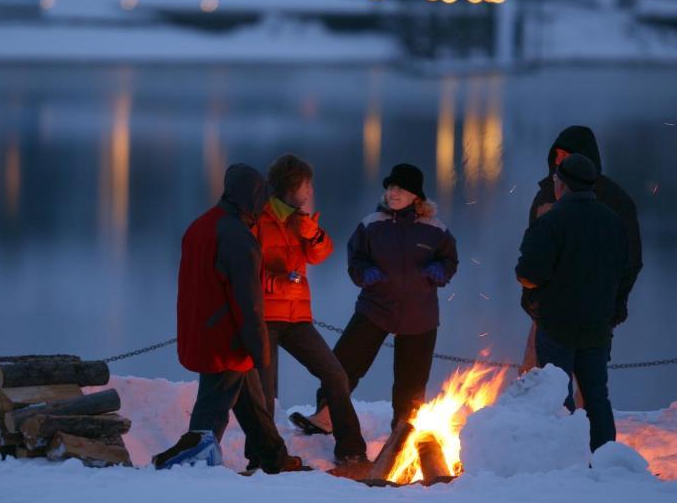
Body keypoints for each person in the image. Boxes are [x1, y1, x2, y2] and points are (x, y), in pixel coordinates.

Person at [152, 164, 307, 474]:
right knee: (214, 406)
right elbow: (248, 301)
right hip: (226, 335)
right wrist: (260, 348)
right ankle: (188, 462)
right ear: (252, 196)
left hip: (202, 327)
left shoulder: (202, 225)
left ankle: (274, 457)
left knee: (251, 400)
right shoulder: (238, 237)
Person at [296, 163, 458, 433]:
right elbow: (355, 258)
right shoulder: (372, 225)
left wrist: (439, 271)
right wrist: (365, 273)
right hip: (375, 308)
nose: (393, 193)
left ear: (416, 196)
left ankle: (403, 430)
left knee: (411, 381)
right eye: (391, 187)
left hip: (420, 315)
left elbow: (450, 259)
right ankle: (326, 415)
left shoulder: (435, 229)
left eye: (401, 189)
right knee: (344, 363)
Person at [245, 154, 367, 467]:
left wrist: (313, 234)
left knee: (335, 374)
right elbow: (244, 271)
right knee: (266, 392)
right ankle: (262, 457)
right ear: (291, 187)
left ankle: (351, 450)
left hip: (297, 318)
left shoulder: (301, 219)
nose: (311, 191)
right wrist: (277, 283)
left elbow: (319, 255)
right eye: (307, 185)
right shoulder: (258, 218)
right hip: (265, 318)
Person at [515, 153, 634, 452]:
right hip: (597, 325)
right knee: (596, 396)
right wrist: (613, 309)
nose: (554, 185)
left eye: (556, 180)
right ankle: (605, 457)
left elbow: (529, 273)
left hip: (557, 324)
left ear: (563, 185)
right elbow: (624, 272)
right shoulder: (613, 223)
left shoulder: (551, 222)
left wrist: (533, 293)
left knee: (558, 394)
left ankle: (566, 460)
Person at [519, 126, 643, 374]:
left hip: (595, 310)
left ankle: (583, 413)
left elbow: (630, 261)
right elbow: (533, 253)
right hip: (549, 310)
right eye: (557, 155)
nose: (559, 162)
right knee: (534, 373)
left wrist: (613, 304)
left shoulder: (614, 200)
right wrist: (533, 300)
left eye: (566, 156)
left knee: (587, 382)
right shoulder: (545, 196)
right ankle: (536, 413)